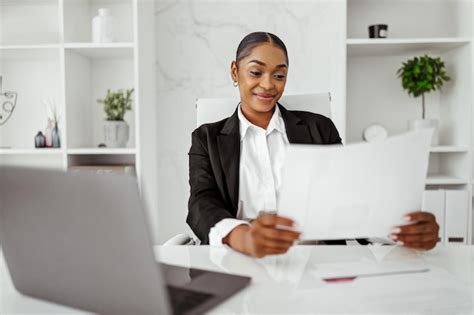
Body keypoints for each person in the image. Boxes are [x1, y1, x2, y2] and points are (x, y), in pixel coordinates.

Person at [187, 32, 439, 258]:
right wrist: (243, 236)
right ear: (235, 71)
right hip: (239, 259)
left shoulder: (319, 129)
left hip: (316, 262)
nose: (268, 84)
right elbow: (201, 203)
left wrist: (398, 231)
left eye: (279, 75)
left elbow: (350, 196)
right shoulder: (206, 138)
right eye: (255, 72)